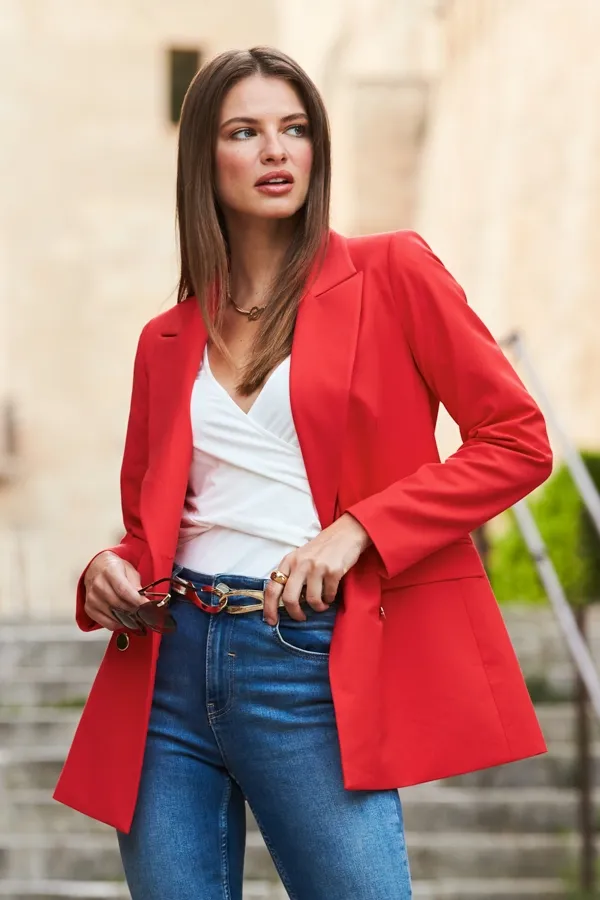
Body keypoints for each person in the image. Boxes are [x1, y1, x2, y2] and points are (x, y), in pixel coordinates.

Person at [53, 46, 553, 900]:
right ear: (204, 161)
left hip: (307, 661)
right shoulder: (163, 341)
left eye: (295, 129)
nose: (277, 150)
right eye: (245, 132)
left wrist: (360, 529)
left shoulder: (392, 274)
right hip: (168, 673)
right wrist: (109, 570)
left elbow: (516, 438)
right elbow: (152, 529)